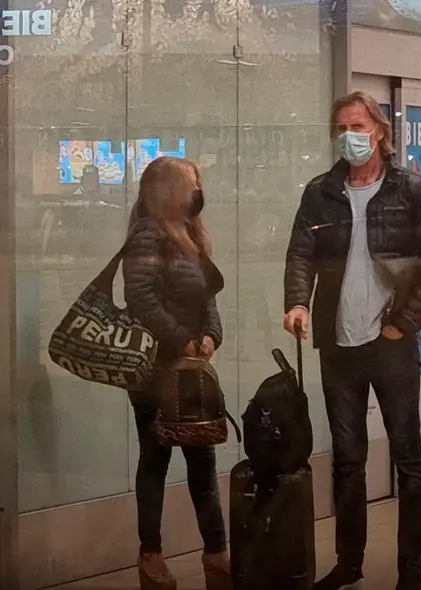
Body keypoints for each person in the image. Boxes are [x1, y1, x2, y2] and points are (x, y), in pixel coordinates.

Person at [282, 90, 421, 590]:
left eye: (357, 126)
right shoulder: (320, 191)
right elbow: (300, 254)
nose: (348, 136)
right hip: (338, 344)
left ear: (379, 130)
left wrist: (405, 323)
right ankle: (349, 563)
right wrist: (297, 302)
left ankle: (411, 572)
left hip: (391, 341)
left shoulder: (414, 191)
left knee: (408, 457)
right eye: (341, 128)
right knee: (347, 460)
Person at [122, 156, 230, 590]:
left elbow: (209, 296)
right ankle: (151, 556)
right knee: (156, 460)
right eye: (191, 182)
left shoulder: (192, 234)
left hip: (191, 369)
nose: (198, 190)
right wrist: (182, 339)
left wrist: (210, 337)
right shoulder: (148, 234)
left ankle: (217, 555)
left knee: (203, 458)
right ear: (168, 190)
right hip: (155, 371)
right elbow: (141, 299)